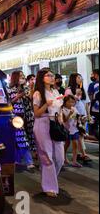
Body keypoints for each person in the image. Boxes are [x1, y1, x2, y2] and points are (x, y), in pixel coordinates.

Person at [33, 68, 65, 198]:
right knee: (47, 156)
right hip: (42, 123)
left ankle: (50, 179)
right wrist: (46, 104)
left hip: (55, 124)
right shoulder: (38, 93)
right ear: (42, 78)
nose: (52, 77)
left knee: (60, 158)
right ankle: (49, 187)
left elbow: (59, 108)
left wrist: (61, 118)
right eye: (48, 75)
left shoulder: (55, 91)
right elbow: (36, 113)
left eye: (52, 75)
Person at [7, 71, 36, 172]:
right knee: (21, 138)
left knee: (21, 139)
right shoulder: (9, 89)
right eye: (21, 77)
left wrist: (31, 88)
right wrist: (17, 97)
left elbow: (31, 99)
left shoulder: (26, 89)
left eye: (23, 77)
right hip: (16, 118)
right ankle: (29, 162)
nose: (23, 79)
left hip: (27, 117)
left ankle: (17, 161)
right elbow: (8, 103)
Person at [65, 73, 92, 163]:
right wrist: (75, 95)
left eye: (81, 77)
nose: (81, 79)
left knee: (81, 135)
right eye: (79, 77)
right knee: (74, 137)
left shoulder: (82, 90)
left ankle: (80, 154)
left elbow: (86, 103)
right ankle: (82, 154)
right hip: (73, 116)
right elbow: (68, 103)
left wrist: (88, 115)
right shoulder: (69, 90)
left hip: (82, 115)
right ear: (73, 79)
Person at [62, 95, 82, 168]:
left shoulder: (74, 108)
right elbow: (64, 120)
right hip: (67, 130)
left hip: (74, 129)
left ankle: (74, 161)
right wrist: (70, 113)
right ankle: (64, 158)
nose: (71, 104)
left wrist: (80, 119)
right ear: (65, 102)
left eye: (73, 102)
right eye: (69, 102)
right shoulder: (62, 109)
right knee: (67, 144)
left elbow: (78, 116)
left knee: (75, 144)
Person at [88, 69, 99, 140]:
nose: (91, 76)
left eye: (92, 74)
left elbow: (90, 97)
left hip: (95, 109)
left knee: (94, 127)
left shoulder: (92, 84)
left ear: (96, 75)